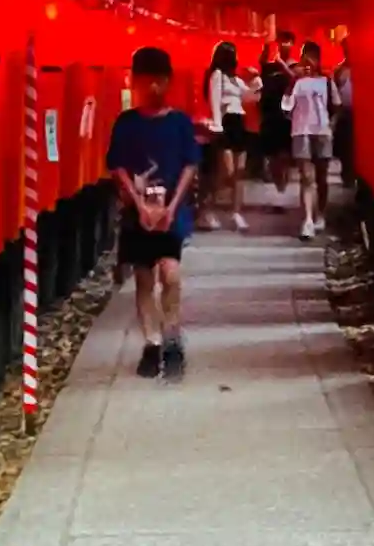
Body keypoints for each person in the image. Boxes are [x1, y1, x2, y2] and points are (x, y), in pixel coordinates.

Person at [105, 46, 201, 379]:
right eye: (146, 81)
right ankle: (151, 342)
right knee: (144, 277)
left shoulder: (179, 122)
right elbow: (117, 165)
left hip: (171, 211)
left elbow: (190, 164)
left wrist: (172, 206)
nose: (153, 87)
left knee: (170, 274)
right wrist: (137, 202)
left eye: (158, 80)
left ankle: (172, 336)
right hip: (138, 213)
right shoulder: (127, 123)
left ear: (168, 81)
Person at [282, 40, 339, 240]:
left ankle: (320, 213)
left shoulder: (326, 81)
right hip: (301, 131)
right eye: (305, 57)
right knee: (307, 177)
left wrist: (331, 126)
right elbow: (286, 106)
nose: (308, 62)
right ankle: (307, 220)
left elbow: (336, 106)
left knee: (321, 177)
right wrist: (292, 82)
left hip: (322, 131)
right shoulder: (297, 83)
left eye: (312, 58)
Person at [198, 41, 254, 231]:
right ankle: (207, 208)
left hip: (239, 121)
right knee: (226, 172)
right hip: (226, 122)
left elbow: (249, 96)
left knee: (239, 172)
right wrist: (217, 125)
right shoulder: (217, 75)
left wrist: (256, 79)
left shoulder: (235, 79)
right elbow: (214, 101)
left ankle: (236, 213)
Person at [256, 31, 297, 211]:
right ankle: (279, 191)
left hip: (286, 116)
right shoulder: (270, 66)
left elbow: (296, 80)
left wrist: (283, 65)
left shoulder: (295, 66)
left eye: (288, 42)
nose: (284, 44)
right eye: (281, 42)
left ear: (293, 44)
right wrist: (267, 45)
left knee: (284, 156)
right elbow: (262, 62)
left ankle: (283, 191)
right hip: (269, 115)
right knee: (272, 157)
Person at [332, 36, 355, 189]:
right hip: (345, 112)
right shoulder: (339, 70)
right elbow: (335, 93)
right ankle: (347, 174)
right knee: (345, 146)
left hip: (362, 113)